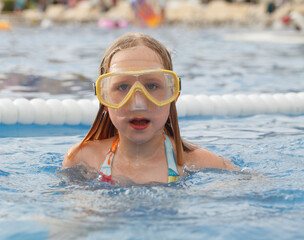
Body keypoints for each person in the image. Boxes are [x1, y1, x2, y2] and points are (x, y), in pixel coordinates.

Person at [63, 32, 238, 185]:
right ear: (104, 99)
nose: (138, 103)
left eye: (152, 86)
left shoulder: (202, 163)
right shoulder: (82, 159)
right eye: (123, 87)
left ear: (173, 95)